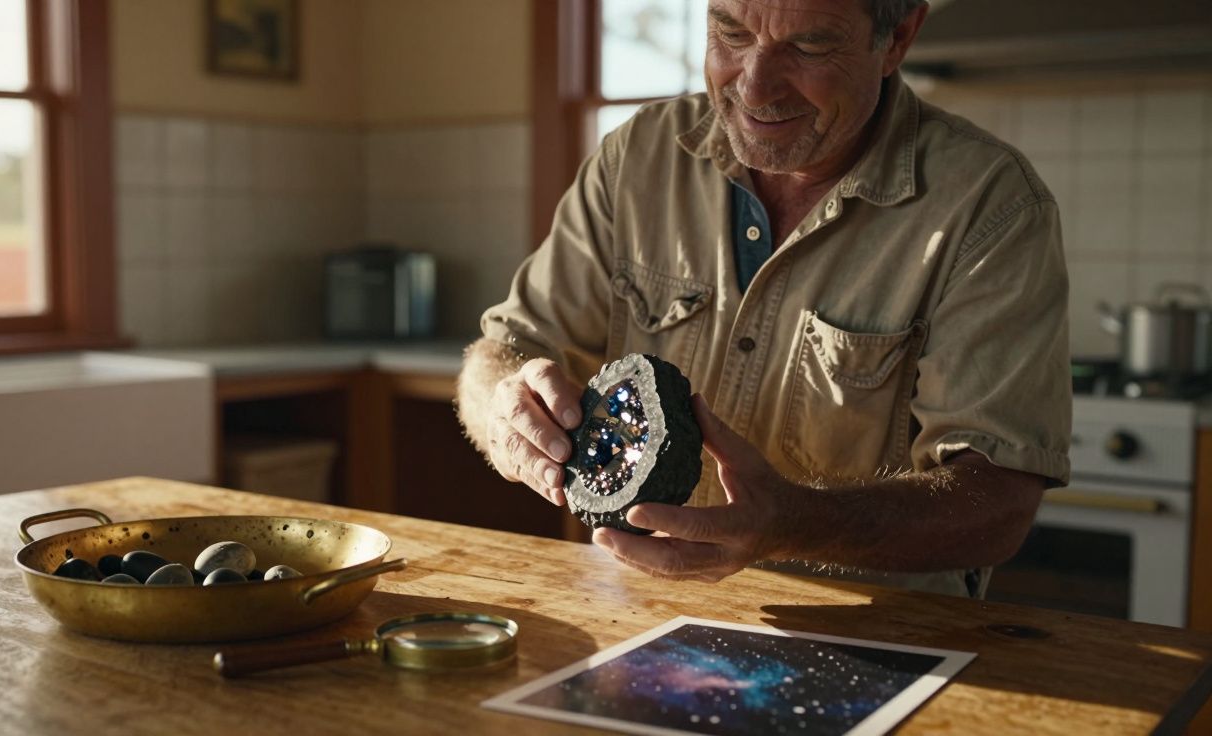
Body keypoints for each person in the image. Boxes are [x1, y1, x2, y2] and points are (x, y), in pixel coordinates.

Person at [455, 0, 1070, 597]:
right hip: (636, 611)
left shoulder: (992, 205)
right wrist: (503, 404)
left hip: (881, 640)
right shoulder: (637, 157)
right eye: (731, 33)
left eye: (807, 46)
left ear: (898, 38)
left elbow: (996, 505)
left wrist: (794, 523)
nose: (754, 88)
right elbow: (506, 349)